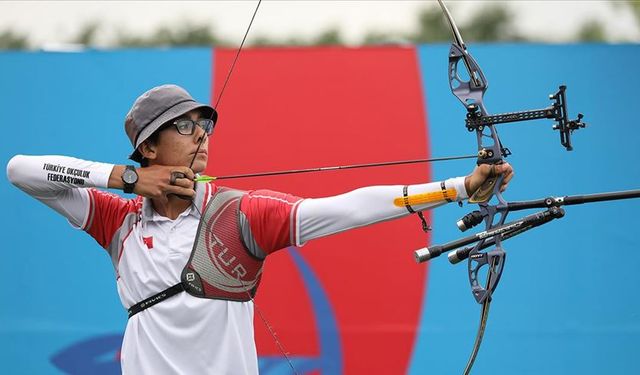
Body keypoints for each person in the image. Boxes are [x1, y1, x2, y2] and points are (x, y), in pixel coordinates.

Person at [6, 84, 513, 374]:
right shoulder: (119, 221)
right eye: (183, 126)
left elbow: (349, 207)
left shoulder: (243, 214)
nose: (201, 134)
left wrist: (458, 187)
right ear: (149, 147)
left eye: (204, 125)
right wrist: (127, 179)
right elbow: (21, 171)